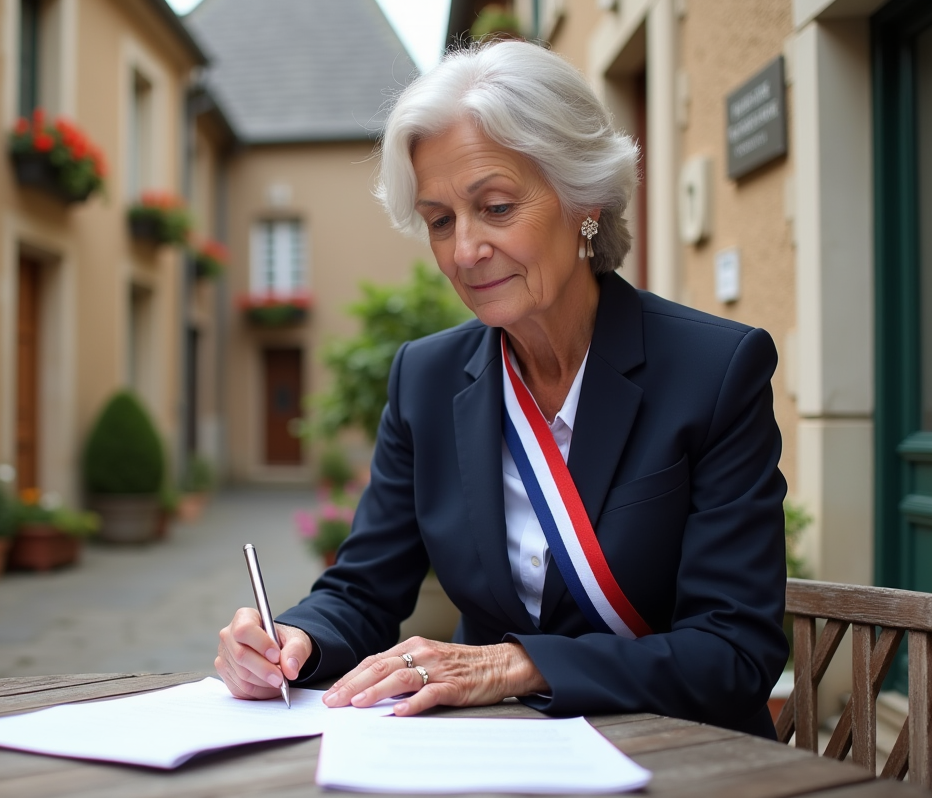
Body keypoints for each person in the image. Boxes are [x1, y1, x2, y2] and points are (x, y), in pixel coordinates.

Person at [215, 40, 788, 739]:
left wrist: (520, 665)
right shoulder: (424, 379)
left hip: (688, 754)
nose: (463, 252)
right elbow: (363, 589)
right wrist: (293, 639)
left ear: (585, 202)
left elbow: (733, 654)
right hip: (493, 757)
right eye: (440, 221)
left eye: (495, 207)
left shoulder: (714, 371)